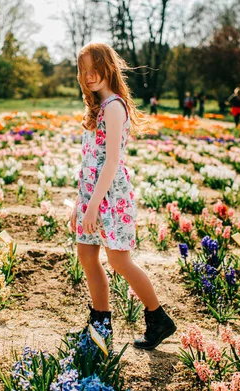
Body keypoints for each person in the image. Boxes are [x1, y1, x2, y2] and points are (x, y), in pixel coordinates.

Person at [70, 42, 176, 350]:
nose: (90, 76)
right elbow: (90, 161)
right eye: (84, 71)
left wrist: (92, 207)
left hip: (111, 199)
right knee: (87, 255)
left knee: (119, 261)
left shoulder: (114, 106)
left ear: (109, 68)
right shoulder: (96, 109)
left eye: (95, 69)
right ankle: (100, 319)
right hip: (91, 196)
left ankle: (158, 318)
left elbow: (112, 161)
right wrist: (81, 203)